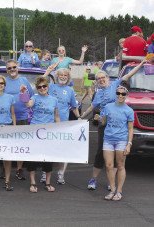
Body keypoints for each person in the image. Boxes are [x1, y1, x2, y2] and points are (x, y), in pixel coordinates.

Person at [81, 60, 146, 190]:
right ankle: (93, 179)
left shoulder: (116, 84)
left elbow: (128, 75)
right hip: (104, 125)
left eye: (103, 77)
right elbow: (91, 107)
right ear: (97, 81)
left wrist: (141, 64)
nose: (101, 80)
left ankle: (112, 183)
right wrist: (81, 117)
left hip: (119, 124)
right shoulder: (98, 94)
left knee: (117, 154)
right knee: (100, 152)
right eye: (98, 79)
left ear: (107, 78)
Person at [20, 76, 60, 192]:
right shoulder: (35, 97)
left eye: (44, 86)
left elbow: (56, 116)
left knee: (48, 158)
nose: (42, 88)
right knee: (33, 158)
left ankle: (47, 183)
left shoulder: (54, 99)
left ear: (48, 86)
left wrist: (59, 129)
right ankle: (33, 183)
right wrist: (23, 92)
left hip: (48, 132)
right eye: (39, 87)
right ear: (37, 88)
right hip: (35, 131)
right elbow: (28, 104)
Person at [94, 86, 133, 201]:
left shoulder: (129, 110)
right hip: (108, 139)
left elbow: (130, 129)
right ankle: (112, 189)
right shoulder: (108, 107)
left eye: (123, 94)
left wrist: (129, 143)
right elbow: (104, 121)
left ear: (126, 95)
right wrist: (99, 118)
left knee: (120, 165)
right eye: (118, 93)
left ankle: (119, 191)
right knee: (109, 165)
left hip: (121, 140)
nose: (120, 95)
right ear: (115, 94)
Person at [43, 67, 81, 184]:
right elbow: (40, 81)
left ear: (68, 78)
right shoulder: (51, 87)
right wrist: (48, 72)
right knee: (48, 149)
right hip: (50, 122)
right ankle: (45, 173)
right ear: (57, 76)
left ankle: (61, 174)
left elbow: (74, 107)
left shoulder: (70, 90)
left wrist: (79, 118)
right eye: (61, 75)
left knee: (63, 150)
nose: (63, 77)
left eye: (65, 75)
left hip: (63, 124)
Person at [5, 59, 34, 180]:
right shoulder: (4, 82)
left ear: (18, 68)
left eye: (14, 67)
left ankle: (19, 169)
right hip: (6, 118)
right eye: (9, 68)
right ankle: (5, 169)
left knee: (20, 143)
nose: (12, 69)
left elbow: (32, 96)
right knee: (7, 144)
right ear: (7, 70)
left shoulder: (24, 80)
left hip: (22, 116)